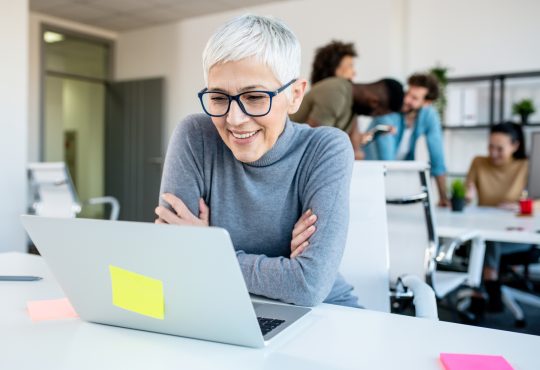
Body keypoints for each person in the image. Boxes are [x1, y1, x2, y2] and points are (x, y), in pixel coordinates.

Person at [155, 15, 359, 308]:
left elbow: (307, 284)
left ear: (295, 95)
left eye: (254, 97)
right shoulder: (196, 135)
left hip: (322, 314)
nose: (234, 119)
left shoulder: (326, 148)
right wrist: (282, 268)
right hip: (218, 307)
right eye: (218, 98)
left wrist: (209, 247)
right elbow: (172, 259)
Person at [465, 122, 532, 311]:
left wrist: (520, 205)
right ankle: (491, 284)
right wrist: (467, 196)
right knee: (485, 238)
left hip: (516, 236)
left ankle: (478, 294)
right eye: (490, 147)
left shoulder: (526, 166)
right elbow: (467, 194)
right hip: (486, 232)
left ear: (515, 146)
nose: (493, 153)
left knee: (485, 241)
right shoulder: (479, 162)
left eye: (500, 148)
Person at [364, 73, 449, 206]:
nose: (406, 99)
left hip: (394, 174)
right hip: (371, 172)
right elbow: (387, 159)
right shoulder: (389, 110)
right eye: (407, 93)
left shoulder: (429, 115)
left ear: (426, 103)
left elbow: (437, 155)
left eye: (414, 98)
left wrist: (443, 197)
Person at [289, 77, 404, 159]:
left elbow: (355, 149)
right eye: (377, 113)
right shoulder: (336, 94)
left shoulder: (352, 106)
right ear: (374, 102)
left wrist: (373, 135)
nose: (372, 116)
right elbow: (314, 144)